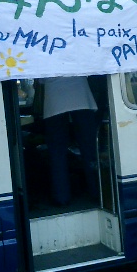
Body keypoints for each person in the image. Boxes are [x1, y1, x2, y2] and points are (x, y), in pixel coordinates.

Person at [42, 76, 99, 206]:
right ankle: (97, 191)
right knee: (89, 149)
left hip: (54, 98)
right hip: (81, 96)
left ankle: (61, 197)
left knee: (57, 153)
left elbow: (40, 79)